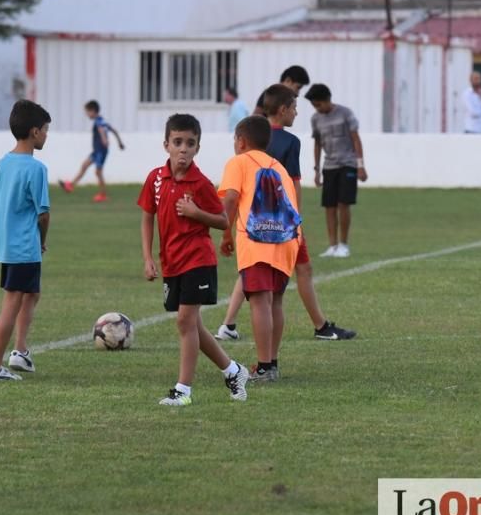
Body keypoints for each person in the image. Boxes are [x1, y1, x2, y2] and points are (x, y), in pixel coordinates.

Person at [215, 84, 356, 342]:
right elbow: (292, 184)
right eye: (294, 108)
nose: (296, 113)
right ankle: (319, 327)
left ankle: (229, 324)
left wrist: (228, 232)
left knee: (252, 275)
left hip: (251, 226)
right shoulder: (289, 142)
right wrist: (297, 223)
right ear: (283, 109)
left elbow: (235, 191)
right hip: (284, 226)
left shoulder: (249, 140)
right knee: (294, 277)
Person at [138, 114, 249, 406]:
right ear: (166, 145)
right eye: (178, 142)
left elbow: (223, 221)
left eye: (190, 143)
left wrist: (196, 213)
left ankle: (183, 390)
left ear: (198, 147)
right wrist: (148, 257)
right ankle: (233, 370)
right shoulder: (155, 179)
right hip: (172, 261)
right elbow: (147, 216)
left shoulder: (200, 183)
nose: (183, 149)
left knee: (185, 322)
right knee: (192, 325)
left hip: (198, 259)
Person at [218, 113, 301, 382]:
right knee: (275, 300)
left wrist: (225, 234)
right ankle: (272, 363)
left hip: (256, 241)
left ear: (241, 141)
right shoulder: (279, 167)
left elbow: (230, 200)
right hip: (287, 241)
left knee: (259, 301)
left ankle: (264, 368)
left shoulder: (238, 162)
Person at [0, 99, 52, 381]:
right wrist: (41, 240)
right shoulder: (36, 169)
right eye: (46, 130)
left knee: (31, 293)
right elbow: (43, 215)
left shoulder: (2, 164)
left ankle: (20, 351)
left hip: (7, 245)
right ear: (35, 132)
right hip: (25, 246)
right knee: (12, 303)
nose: (47, 136)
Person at [305, 83, 366, 258]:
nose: (317, 108)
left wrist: (360, 165)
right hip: (329, 166)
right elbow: (317, 144)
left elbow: (356, 140)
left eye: (318, 104)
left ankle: (344, 245)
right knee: (329, 206)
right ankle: (332, 246)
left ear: (327, 99)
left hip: (347, 164)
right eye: (314, 106)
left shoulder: (345, 114)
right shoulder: (315, 119)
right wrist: (316, 170)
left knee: (343, 204)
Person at [58, 100, 125, 202]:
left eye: (87, 112)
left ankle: (103, 195)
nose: (86, 114)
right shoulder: (102, 121)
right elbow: (113, 130)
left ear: (93, 111)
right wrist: (120, 142)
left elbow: (101, 130)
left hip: (101, 151)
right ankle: (70, 185)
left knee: (98, 172)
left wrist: (104, 140)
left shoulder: (98, 121)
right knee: (84, 165)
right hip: (97, 151)